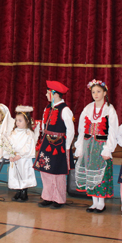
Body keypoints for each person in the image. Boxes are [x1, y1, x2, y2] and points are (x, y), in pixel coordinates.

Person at [74, 79, 118, 213]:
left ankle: (101, 203)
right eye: (93, 92)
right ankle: (93, 202)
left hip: (101, 146)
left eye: (99, 91)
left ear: (105, 92)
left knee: (101, 173)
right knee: (89, 172)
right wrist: (80, 147)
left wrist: (108, 149)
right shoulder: (88, 108)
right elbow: (82, 129)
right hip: (88, 145)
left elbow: (113, 131)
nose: (96, 94)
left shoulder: (109, 109)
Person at [34, 81, 74, 209]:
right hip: (46, 144)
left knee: (57, 173)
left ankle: (59, 199)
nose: (46, 95)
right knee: (45, 171)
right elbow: (43, 126)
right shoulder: (47, 108)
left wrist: (66, 147)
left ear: (55, 94)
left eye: (48, 92)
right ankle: (48, 196)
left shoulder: (65, 110)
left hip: (59, 145)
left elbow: (71, 130)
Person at [0, 106, 37, 202]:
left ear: (27, 121)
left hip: (23, 159)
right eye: (16, 120)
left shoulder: (29, 134)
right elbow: (10, 144)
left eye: (20, 121)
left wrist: (19, 156)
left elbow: (28, 147)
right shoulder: (14, 132)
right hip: (14, 159)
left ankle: (24, 192)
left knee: (24, 174)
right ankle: (18, 191)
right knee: (15, 174)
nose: (17, 123)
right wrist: (10, 155)